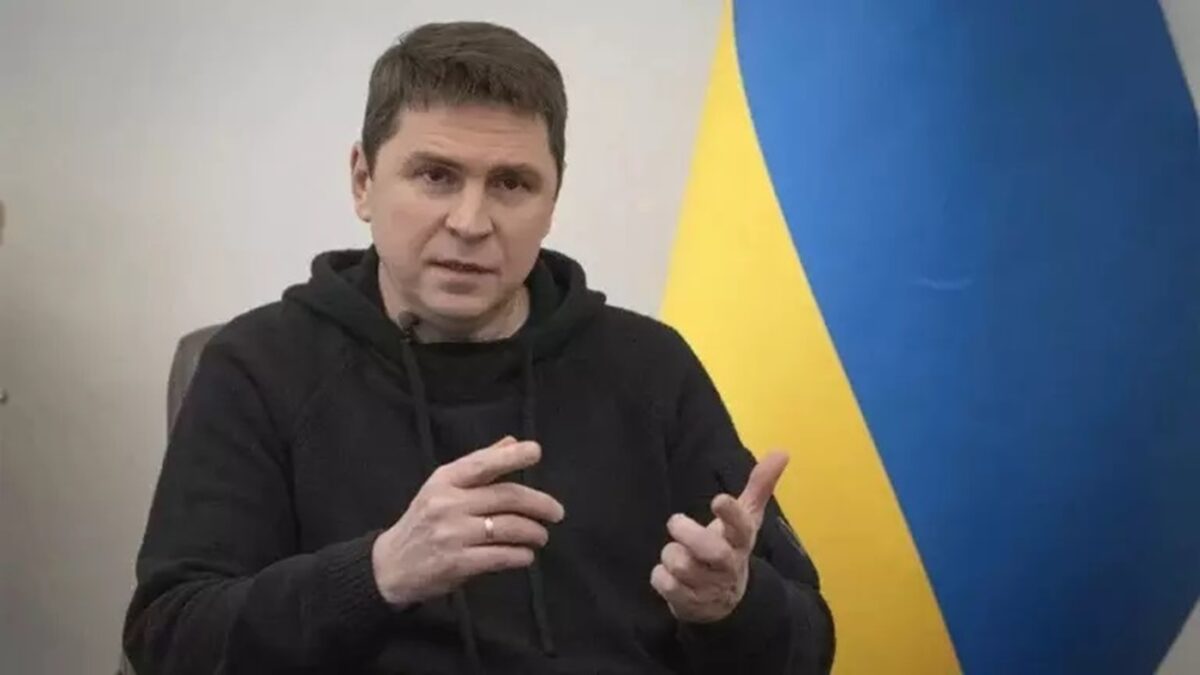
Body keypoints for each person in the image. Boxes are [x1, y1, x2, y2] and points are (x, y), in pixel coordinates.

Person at [123, 21, 834, 675]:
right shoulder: (260, 365)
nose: (470, 222)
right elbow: (170, 639)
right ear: (363, 181)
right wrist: (377, 572)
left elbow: (808, 649)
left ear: (552, 201)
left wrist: (733, 608)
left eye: (511, 184)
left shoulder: (650, 367)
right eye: (436, 176)